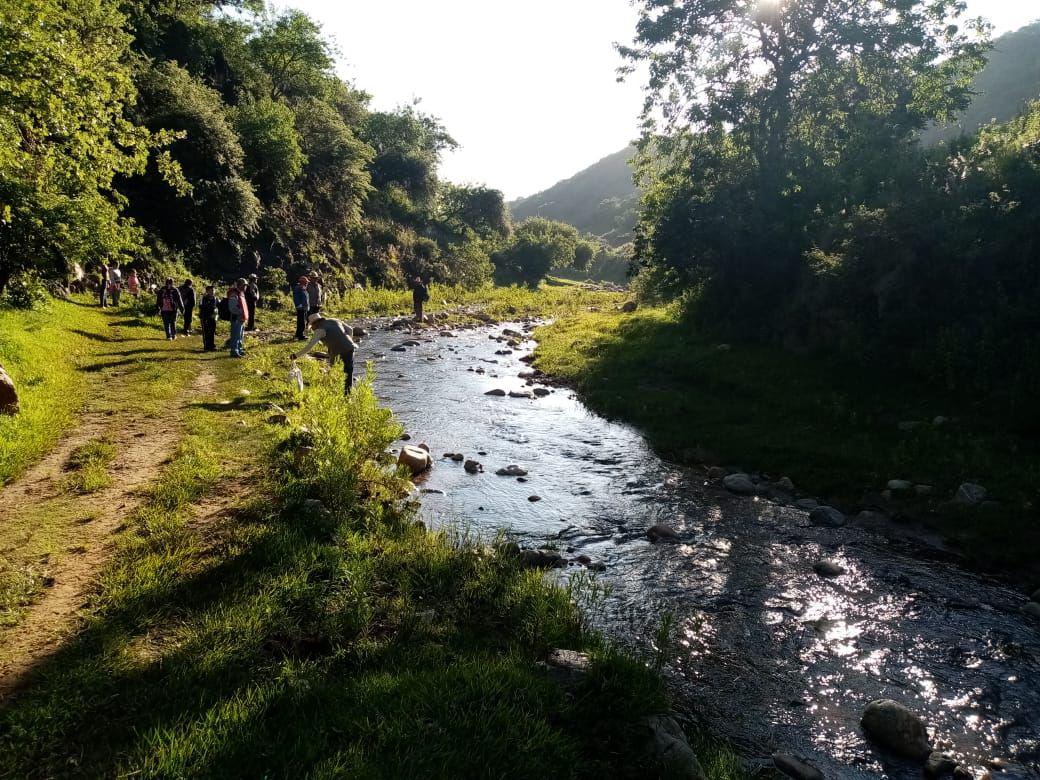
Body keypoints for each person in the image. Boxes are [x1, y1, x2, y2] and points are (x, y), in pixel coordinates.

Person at [291, 313, 359, 395]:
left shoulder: (319, 330)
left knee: (336, 372)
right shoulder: (334, 320)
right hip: (350, 347)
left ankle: (340, 394)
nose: (312, 328)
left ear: (313, 324)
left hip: (337, 352)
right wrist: (348, 340)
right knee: (348, 372)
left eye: (311, 326)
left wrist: (296, 355)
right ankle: (348, 395)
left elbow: (309, 346)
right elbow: (350, 329)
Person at [227, 277, 249, 358]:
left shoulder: (241, 293)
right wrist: (240, 312)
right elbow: (232, 308)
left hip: (241, 318)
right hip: (236, 318)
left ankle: (239, 349)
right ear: (240, 285)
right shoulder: (234, 294)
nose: (245, 287)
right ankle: (234, 351)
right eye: (244, 285)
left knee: (240, 336)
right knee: (235, 335)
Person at [199, 284, 218, 352]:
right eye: (210, 290)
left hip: (213, 318)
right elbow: (201, 306)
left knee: (212, 332)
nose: (212, 291)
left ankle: (212, 345)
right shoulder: (203, 298)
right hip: (205, 317)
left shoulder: (215, 298)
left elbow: (218, 306)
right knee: (206, 332)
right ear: (207, 291)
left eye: (213, 290)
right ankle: (206, 346)